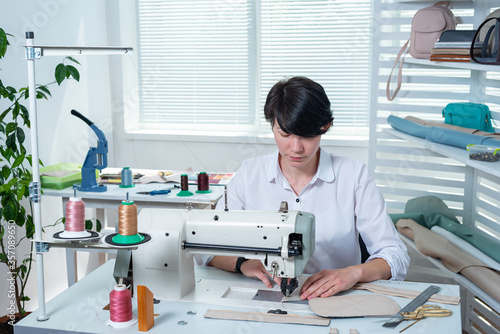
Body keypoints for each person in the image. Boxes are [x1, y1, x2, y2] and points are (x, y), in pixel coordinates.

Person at [201, 76, 409, 301]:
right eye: (285, 134)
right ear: (272, 126)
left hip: (335, 300)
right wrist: (241, 264)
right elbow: (204, 247)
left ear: (325, 126)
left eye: (307, 136)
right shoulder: (250, 175)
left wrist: (354, 272)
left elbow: (395, 256)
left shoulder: (354, 176)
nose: (296, 148)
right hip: (264, 295)